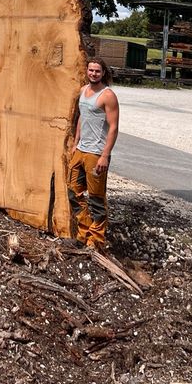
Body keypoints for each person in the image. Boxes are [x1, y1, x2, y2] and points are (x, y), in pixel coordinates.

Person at [67, 57, 119, 249]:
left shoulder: (108, 96)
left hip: (96, 154)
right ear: (87, 71)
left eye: (97, 71)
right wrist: (76, 142)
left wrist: (105, 155)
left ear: (103, 73)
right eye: (91, 70)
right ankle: (83, 232)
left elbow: (113, 127)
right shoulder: (83, 91)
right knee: (73, 191)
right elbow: (82, 117)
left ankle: (96, 240)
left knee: (96, 198)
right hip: (81, 150)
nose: (93, 74)